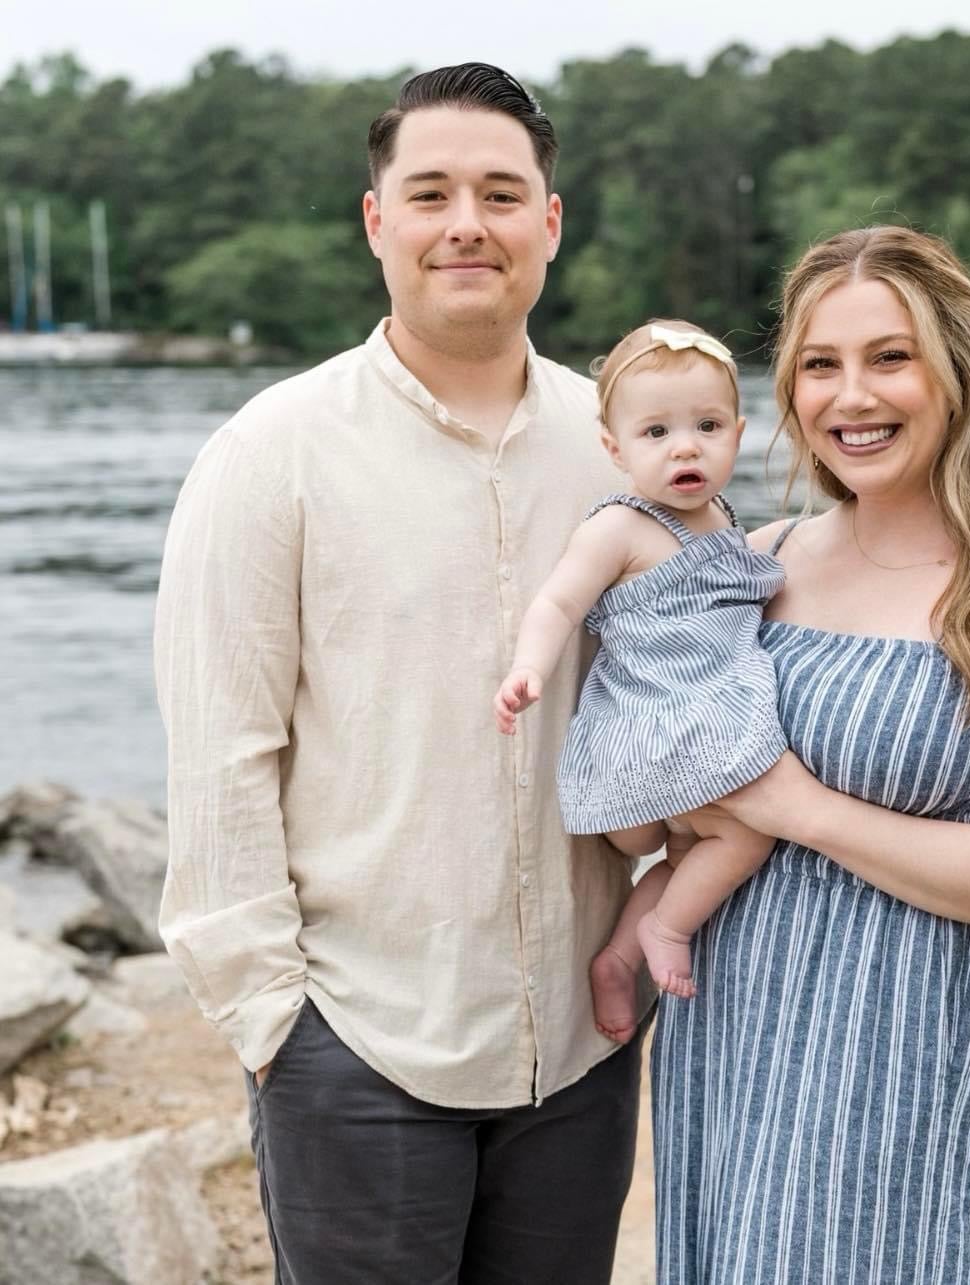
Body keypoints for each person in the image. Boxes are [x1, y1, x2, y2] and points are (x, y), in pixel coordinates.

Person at [154, 63, 645, 1285]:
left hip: (578, 1051)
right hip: (357, 1046)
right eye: (429, 193)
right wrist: (275, 1024)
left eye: (499, 191)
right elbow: (221, 749)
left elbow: (695, 701)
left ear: (551, 221)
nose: (465, 222)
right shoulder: (272, 453)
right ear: (379, 222)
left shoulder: (624, 450)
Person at [650, 226, 970, 1283]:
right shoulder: (753, 564)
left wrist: (802, 808)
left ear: (956, 372)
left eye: (888, 357)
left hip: (895, 1051)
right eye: (820, 365)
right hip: (726, 1026)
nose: (850, 396)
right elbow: (675, 787)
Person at [493, 320, 787, 1038]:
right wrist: (529, 667)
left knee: (692, 857)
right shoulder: (619, 527)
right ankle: (668, 933)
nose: (686, 446)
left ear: (739, 433)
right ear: (614, 448)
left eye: (707, 426)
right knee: (749, 838)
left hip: (688, 750)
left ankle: (619, 957)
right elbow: (559, 600)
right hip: (652, 740)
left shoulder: (723, 519)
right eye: (656, 432)